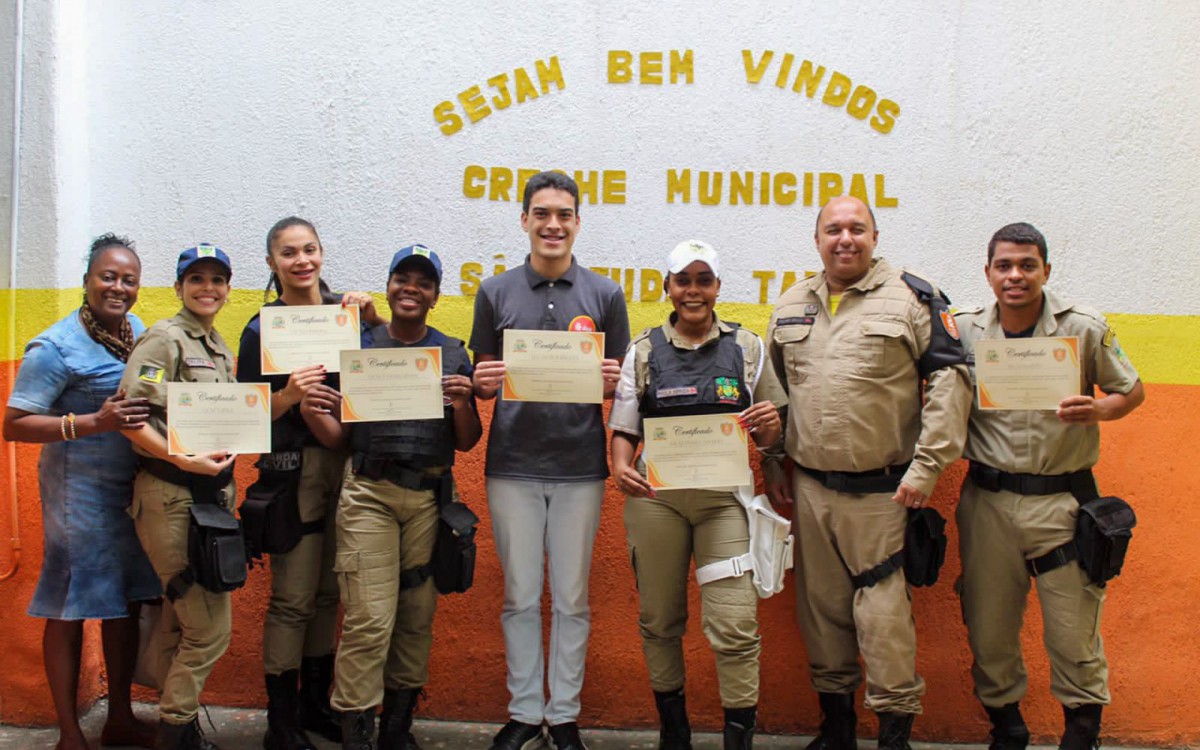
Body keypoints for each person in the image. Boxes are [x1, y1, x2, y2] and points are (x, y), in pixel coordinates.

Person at [761, 196, 972, 749]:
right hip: (809, 488)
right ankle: (837, 730)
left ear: (875, 236)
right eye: (833, 230)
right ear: (817, 240)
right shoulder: (789, 305)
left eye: (857, 229)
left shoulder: (914, 298)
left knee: (882, 620)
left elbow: (951, 385)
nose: (845, 239)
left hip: (886, 492)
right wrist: (774, 462)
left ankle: (894, 732)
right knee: (821, 613)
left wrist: (927, 469)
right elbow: (775, 396)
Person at [953, 223, 1144, 750]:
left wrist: (1100, 408)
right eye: (1004, 266)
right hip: (987, 502)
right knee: (988, 630)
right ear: (988, 273)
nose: (1015, 276)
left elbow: (1132, 390)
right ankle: (1006, 731)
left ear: (1046, 270)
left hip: (1062, 503)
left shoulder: (1083, 329)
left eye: (1027, 265)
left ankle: (1081, 736)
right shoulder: (965, 330)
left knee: (1073, 632)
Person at [470, 171, 631, 750]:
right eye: (542, 213)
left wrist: (615, 382)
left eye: (564, 214)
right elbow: (483, 382)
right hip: (511, 462)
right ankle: (522, 711)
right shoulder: (494, 292)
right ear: (524, 221)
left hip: (581, 465)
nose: (553, 224)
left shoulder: (606, 295)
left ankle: (562, 717)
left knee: (572, 597)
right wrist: (483, 381)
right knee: (518, 595)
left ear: (578, 222)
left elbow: (621, 389)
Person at [300, 245, 482, 750]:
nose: (411, 288)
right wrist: (316, 414)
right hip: (369, 495)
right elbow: (340, 438)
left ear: (435, 295)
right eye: (403, 278)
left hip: (429, 499)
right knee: (368, 619)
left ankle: (396, 732)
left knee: (416, 617)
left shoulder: (451, 351)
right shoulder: (358, 346)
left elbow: (466, 440)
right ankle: (357, 732)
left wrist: (464, 400)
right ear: (388, 286)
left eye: (423, 282)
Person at [608, 240, 782, 750]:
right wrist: (619, 465)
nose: (693, 290)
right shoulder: (642, 350)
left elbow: (771, 436)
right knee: (660, 619)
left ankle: (738, 739)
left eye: (704, 280)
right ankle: (675, 733)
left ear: (718, 289)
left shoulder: (748, 348)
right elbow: (624, 427)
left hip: (724, 502)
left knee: (734, 622)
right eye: (683, 279)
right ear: (668, 287)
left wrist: (770, 425)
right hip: (656, 500)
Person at [3, 234, 161, 750]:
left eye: (129, 279)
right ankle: (69, 732)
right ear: (88, 279)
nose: (118, 287)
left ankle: (119, 717)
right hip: (77, 497)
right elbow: (15, 423)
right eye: (108, 276)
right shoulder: (56, 347)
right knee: (70, 609)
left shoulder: (136, 332)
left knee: (124, 603)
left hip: (129, 492)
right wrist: (93, 422)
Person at [236, 217, 383, 749]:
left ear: (323, 253)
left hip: (345, 467)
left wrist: (374, 318)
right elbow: (245, 416)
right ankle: (282, 721)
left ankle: (316, 706)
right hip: (292, 472)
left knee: (328, 595)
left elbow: (381, 375)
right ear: (272, 263)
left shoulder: (348, 313)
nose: (302, 261)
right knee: (293, 598)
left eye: (310, 250)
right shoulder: (261, 327)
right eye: (289, 253)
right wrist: (287, 396)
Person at [119, 244, 239, 750]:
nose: (207, 288)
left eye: (216, 279)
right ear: (178, 287)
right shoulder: (164, 340)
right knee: (209, 628)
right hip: (171, 497)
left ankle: (177, 726)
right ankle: (175, 731)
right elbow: (131, 415)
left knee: (179, 620)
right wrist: (178, 458)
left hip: (206, 502)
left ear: (228, 289)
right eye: (196, 279)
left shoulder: (217, 346)